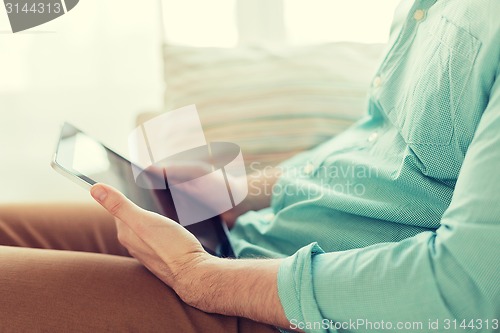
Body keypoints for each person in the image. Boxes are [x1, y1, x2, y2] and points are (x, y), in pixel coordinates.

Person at [1, 1, 499, 332]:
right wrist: (237, 191)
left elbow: (471, 290)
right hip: (253, 239)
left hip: (290, 302)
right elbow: (380, 147)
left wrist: (201, 277)